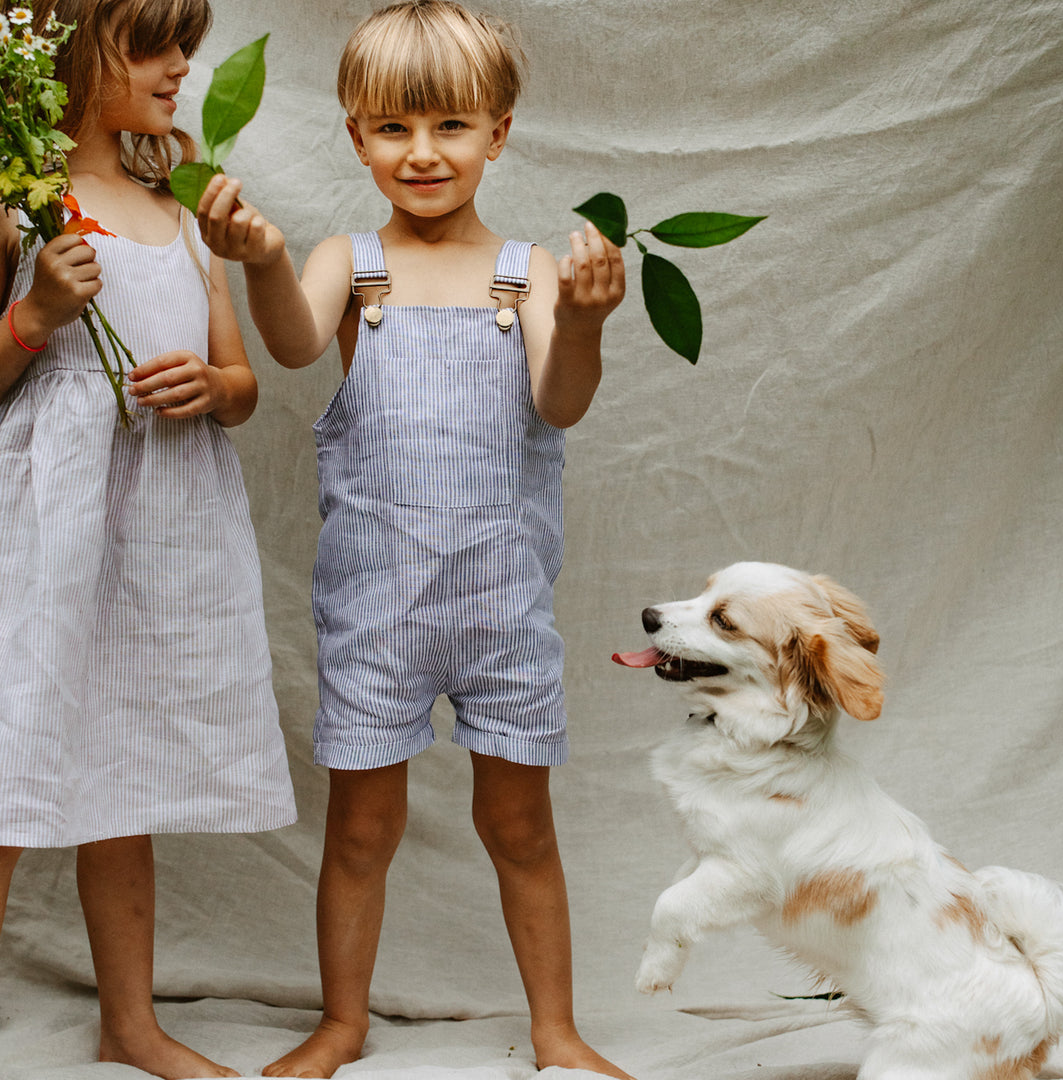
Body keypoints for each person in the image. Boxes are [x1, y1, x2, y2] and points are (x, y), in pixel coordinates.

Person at [197, 1, 631, 1076]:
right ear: (354, 135)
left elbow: (560, 403)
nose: (422, 153)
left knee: (520, 829)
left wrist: (580, 322)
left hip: (502, 610)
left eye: (450, 127)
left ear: (500, 131)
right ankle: (343, 1024)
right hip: (376, 609)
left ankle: (557, 1031)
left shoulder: (528, 274)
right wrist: (259, 262)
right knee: (358, 833)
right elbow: (296, 347)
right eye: (393, 128)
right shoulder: (352, 262)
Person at [0, 2, 296, 1078]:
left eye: (189, 43)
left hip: (160, 534)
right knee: (12, 762)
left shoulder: (178, 212)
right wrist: (32, 315)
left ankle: (129, 1024)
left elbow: (246, 385)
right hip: (48, 531)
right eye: (152, 45)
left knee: (119, 773)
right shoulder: (26, 209)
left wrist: (214, 385)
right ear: (71, 52)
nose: (183, 67)